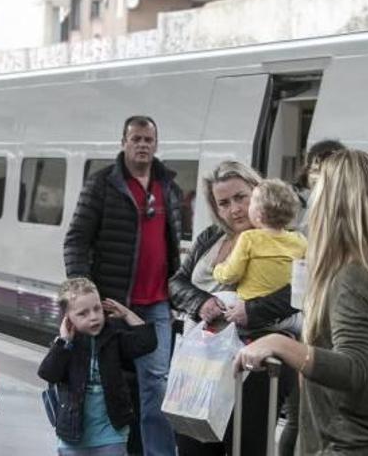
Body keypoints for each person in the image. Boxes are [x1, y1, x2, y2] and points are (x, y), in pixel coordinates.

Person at [235, 150, 368, 455]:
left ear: (331, 205)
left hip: (356, 445)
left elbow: (352, 369)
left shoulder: (352, 278)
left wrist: (279, 344)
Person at [64, 115, 183, 456]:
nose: (143, 145)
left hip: (157, 304)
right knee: (106, 386)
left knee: (156, 384)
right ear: (123, 142)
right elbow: (75, 240)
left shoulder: (168, 188)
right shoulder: (102, 184)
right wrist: (84, 294)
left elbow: (172, 243)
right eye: (136, 139)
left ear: (156, 144)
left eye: (148, 139)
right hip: (112, 304)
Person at [168, 161, 297, 456]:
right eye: (224, 203)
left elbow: (299, 294)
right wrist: (201, 302)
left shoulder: (284, 238)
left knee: (245, 444)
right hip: (200, 360)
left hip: (256, 360)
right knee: (192, 443)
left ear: (258, 190)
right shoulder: (211, 237)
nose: (234, 209)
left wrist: (250, 311)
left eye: (241, 197)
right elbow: (176, 284)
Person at [39, 278, 157, 456]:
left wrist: (126, 314)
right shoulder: (66, 346)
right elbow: (48, 373)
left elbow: (147, 342)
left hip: (111, 434)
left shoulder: (113, 338)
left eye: (97, 309)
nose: (93, 317)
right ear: (67, 318)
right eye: (83, 314)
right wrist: (63, 342)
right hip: (72, 436)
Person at [212, 179, 306, 334]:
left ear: (258, 213)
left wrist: (218, 269)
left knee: (212, 300)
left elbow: (231, 274)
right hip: (285, 318)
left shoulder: (250, 238)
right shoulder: (300, 240)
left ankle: (184, 348)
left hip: (248, 312)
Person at [291, 140, 346, 232]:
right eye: (316, 171)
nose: (320, 178)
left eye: (328, 173)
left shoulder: (347, 205)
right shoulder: (290, 199)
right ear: (307, 171)